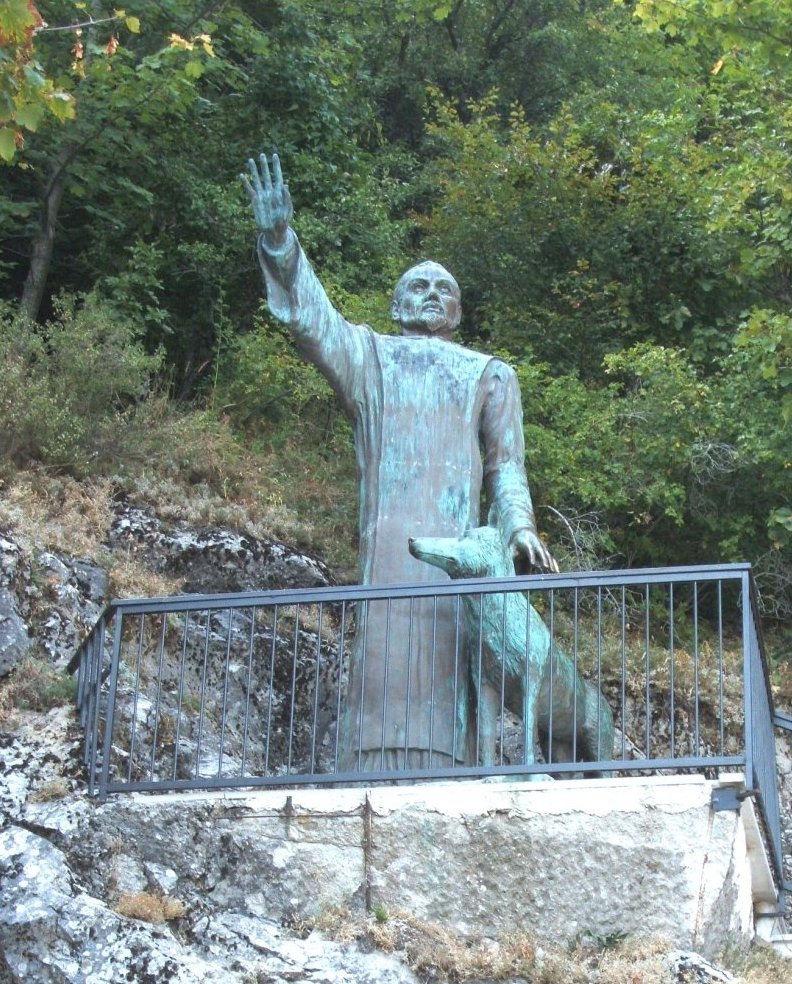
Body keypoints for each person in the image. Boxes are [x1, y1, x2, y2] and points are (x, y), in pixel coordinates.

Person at [243, 153, 557, 773]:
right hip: (387, 548)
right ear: (396, 305)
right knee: (385, 652)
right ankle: (367, 763)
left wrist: (520, 528)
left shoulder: (490, 374)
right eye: (419, 285)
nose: (432, 294)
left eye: (445, 290)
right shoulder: (370, 357)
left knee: (453, 660)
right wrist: (280, 243)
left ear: (459, 313)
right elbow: (314, 322)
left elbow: (507, 468)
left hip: (457, 556)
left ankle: (459, 763)